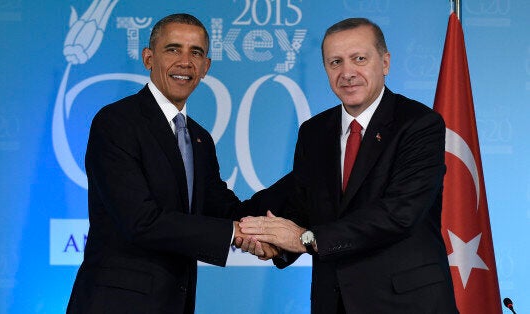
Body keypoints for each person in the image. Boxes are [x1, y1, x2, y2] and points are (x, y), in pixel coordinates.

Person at [239, 18, 459, 313]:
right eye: (335, 62)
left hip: (406, 303)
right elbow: (301, 206)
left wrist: (307, 239)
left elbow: (399, 214)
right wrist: (270, 242)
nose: (347, 73)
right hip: (335, 302)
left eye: (359, 59)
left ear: (385, 63)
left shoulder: (419, 124)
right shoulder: (314, 132)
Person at [66, 13, 276, 314]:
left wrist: (298, 188)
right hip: (115, 304)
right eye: (173, 49)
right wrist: (234, 233)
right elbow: (141, 221)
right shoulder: (116, 122)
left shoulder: (199, 138)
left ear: (206, 67)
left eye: (196, 53)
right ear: (148, 58)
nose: (185, 62)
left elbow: (225, 211)